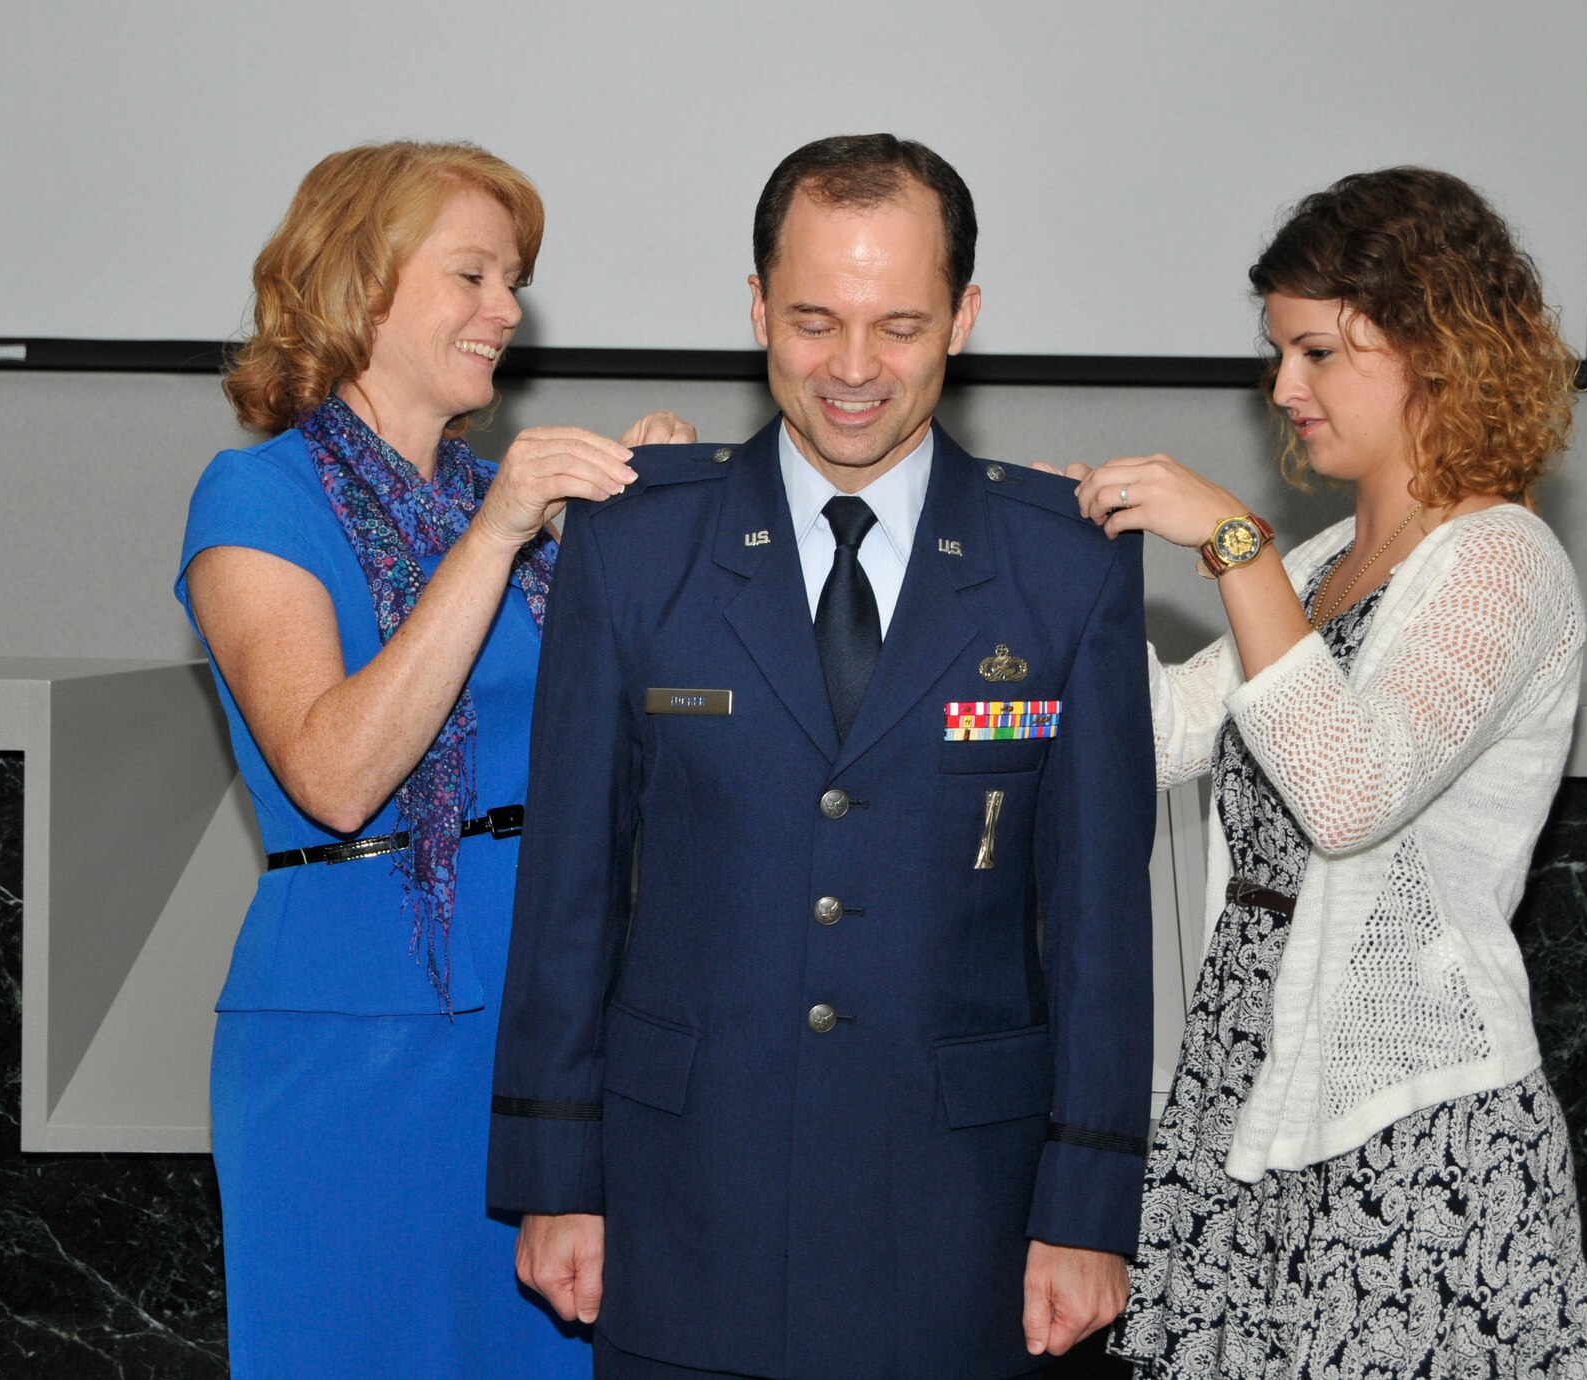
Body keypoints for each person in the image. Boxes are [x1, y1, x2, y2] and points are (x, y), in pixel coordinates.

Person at [485, 134, 1157, 1379]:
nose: (853, 370)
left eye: (898, 324)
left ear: (962, 317)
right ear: (753, 309)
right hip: (684, 1209)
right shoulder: (633, 547)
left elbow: (1099, 922)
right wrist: (551, 1174)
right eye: (811, 320)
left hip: (965, 1223)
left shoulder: (1062, 564)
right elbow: (566, 885)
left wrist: (1087, 1206)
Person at [176, 140, 693, 1377]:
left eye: (510, 278)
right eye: (471, 274)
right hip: (356, 1042)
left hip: (550, 1025)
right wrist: (503, 533)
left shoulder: (507, 504)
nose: (506, 309)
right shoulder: (256, 498)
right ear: (360, 284)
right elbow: (337, 771)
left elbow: (643, 749)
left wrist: (657, 536)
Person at [1079, 168, 1587, 1376]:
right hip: (1240, 1074)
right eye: (1279, 353)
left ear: (1433, 346)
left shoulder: (1501, 564)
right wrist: (1021, 581)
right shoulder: (1324, 562)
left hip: (1403, 1113)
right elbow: (1154, 739)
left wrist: (1229, 543)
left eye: (1315, 352)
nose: (1282, 390)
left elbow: (1346, 797)